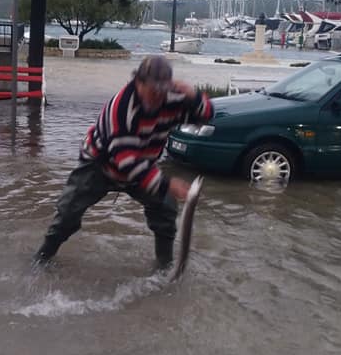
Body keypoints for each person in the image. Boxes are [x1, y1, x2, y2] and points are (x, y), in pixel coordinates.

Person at [33, 55, 214, 269]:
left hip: (142, 164)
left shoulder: (174, 98)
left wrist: (194, 97)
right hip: (100, 165)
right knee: (68, 213)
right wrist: (168, 184)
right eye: (151, 89)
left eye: (162, 90)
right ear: (138, 82)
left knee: (165, 212)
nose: (156, 96)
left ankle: (165, 268)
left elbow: (206, 116)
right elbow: (127, 163)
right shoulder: (121, 109)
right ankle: (41, 259)